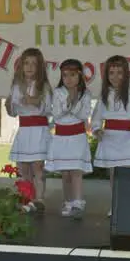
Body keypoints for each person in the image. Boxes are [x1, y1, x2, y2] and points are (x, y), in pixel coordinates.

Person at [91, 55, 130, 218]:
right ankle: (115, 205)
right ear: (106, 76)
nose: (115, 77)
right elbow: (96, 118)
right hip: (110, 139)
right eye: (111, 73)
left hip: (129, 139)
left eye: (119, 73)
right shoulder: (103, 96)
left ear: (126, 75)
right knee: (114, 176)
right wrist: (97, 130)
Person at [6, 48, 51, 213]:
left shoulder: (43, 86)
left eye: (34, 63)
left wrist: (33, 101)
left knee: (38, 167)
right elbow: (12, 111)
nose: (30, 67)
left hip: (39, 130)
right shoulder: (16, 86)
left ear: (40, 67)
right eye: (26, 63)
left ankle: (39, 199)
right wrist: (9, 104)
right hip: (24, 129)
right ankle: (26, 197)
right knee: (23, 167)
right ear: (21, 66)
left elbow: (47, 108)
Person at [45, 59, 93, 218]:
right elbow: (57, 114)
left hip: (77, 137)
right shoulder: (58, 92)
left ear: (80, 76)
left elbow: (84, 115)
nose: (69, 79)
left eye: (73, 75)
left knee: (76, 171)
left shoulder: (85, 94)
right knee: (65, 173)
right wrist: (68, 103)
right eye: (65, 75)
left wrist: (74, 102)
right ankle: (68, 201)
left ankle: (78, 202)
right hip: (61, 137)